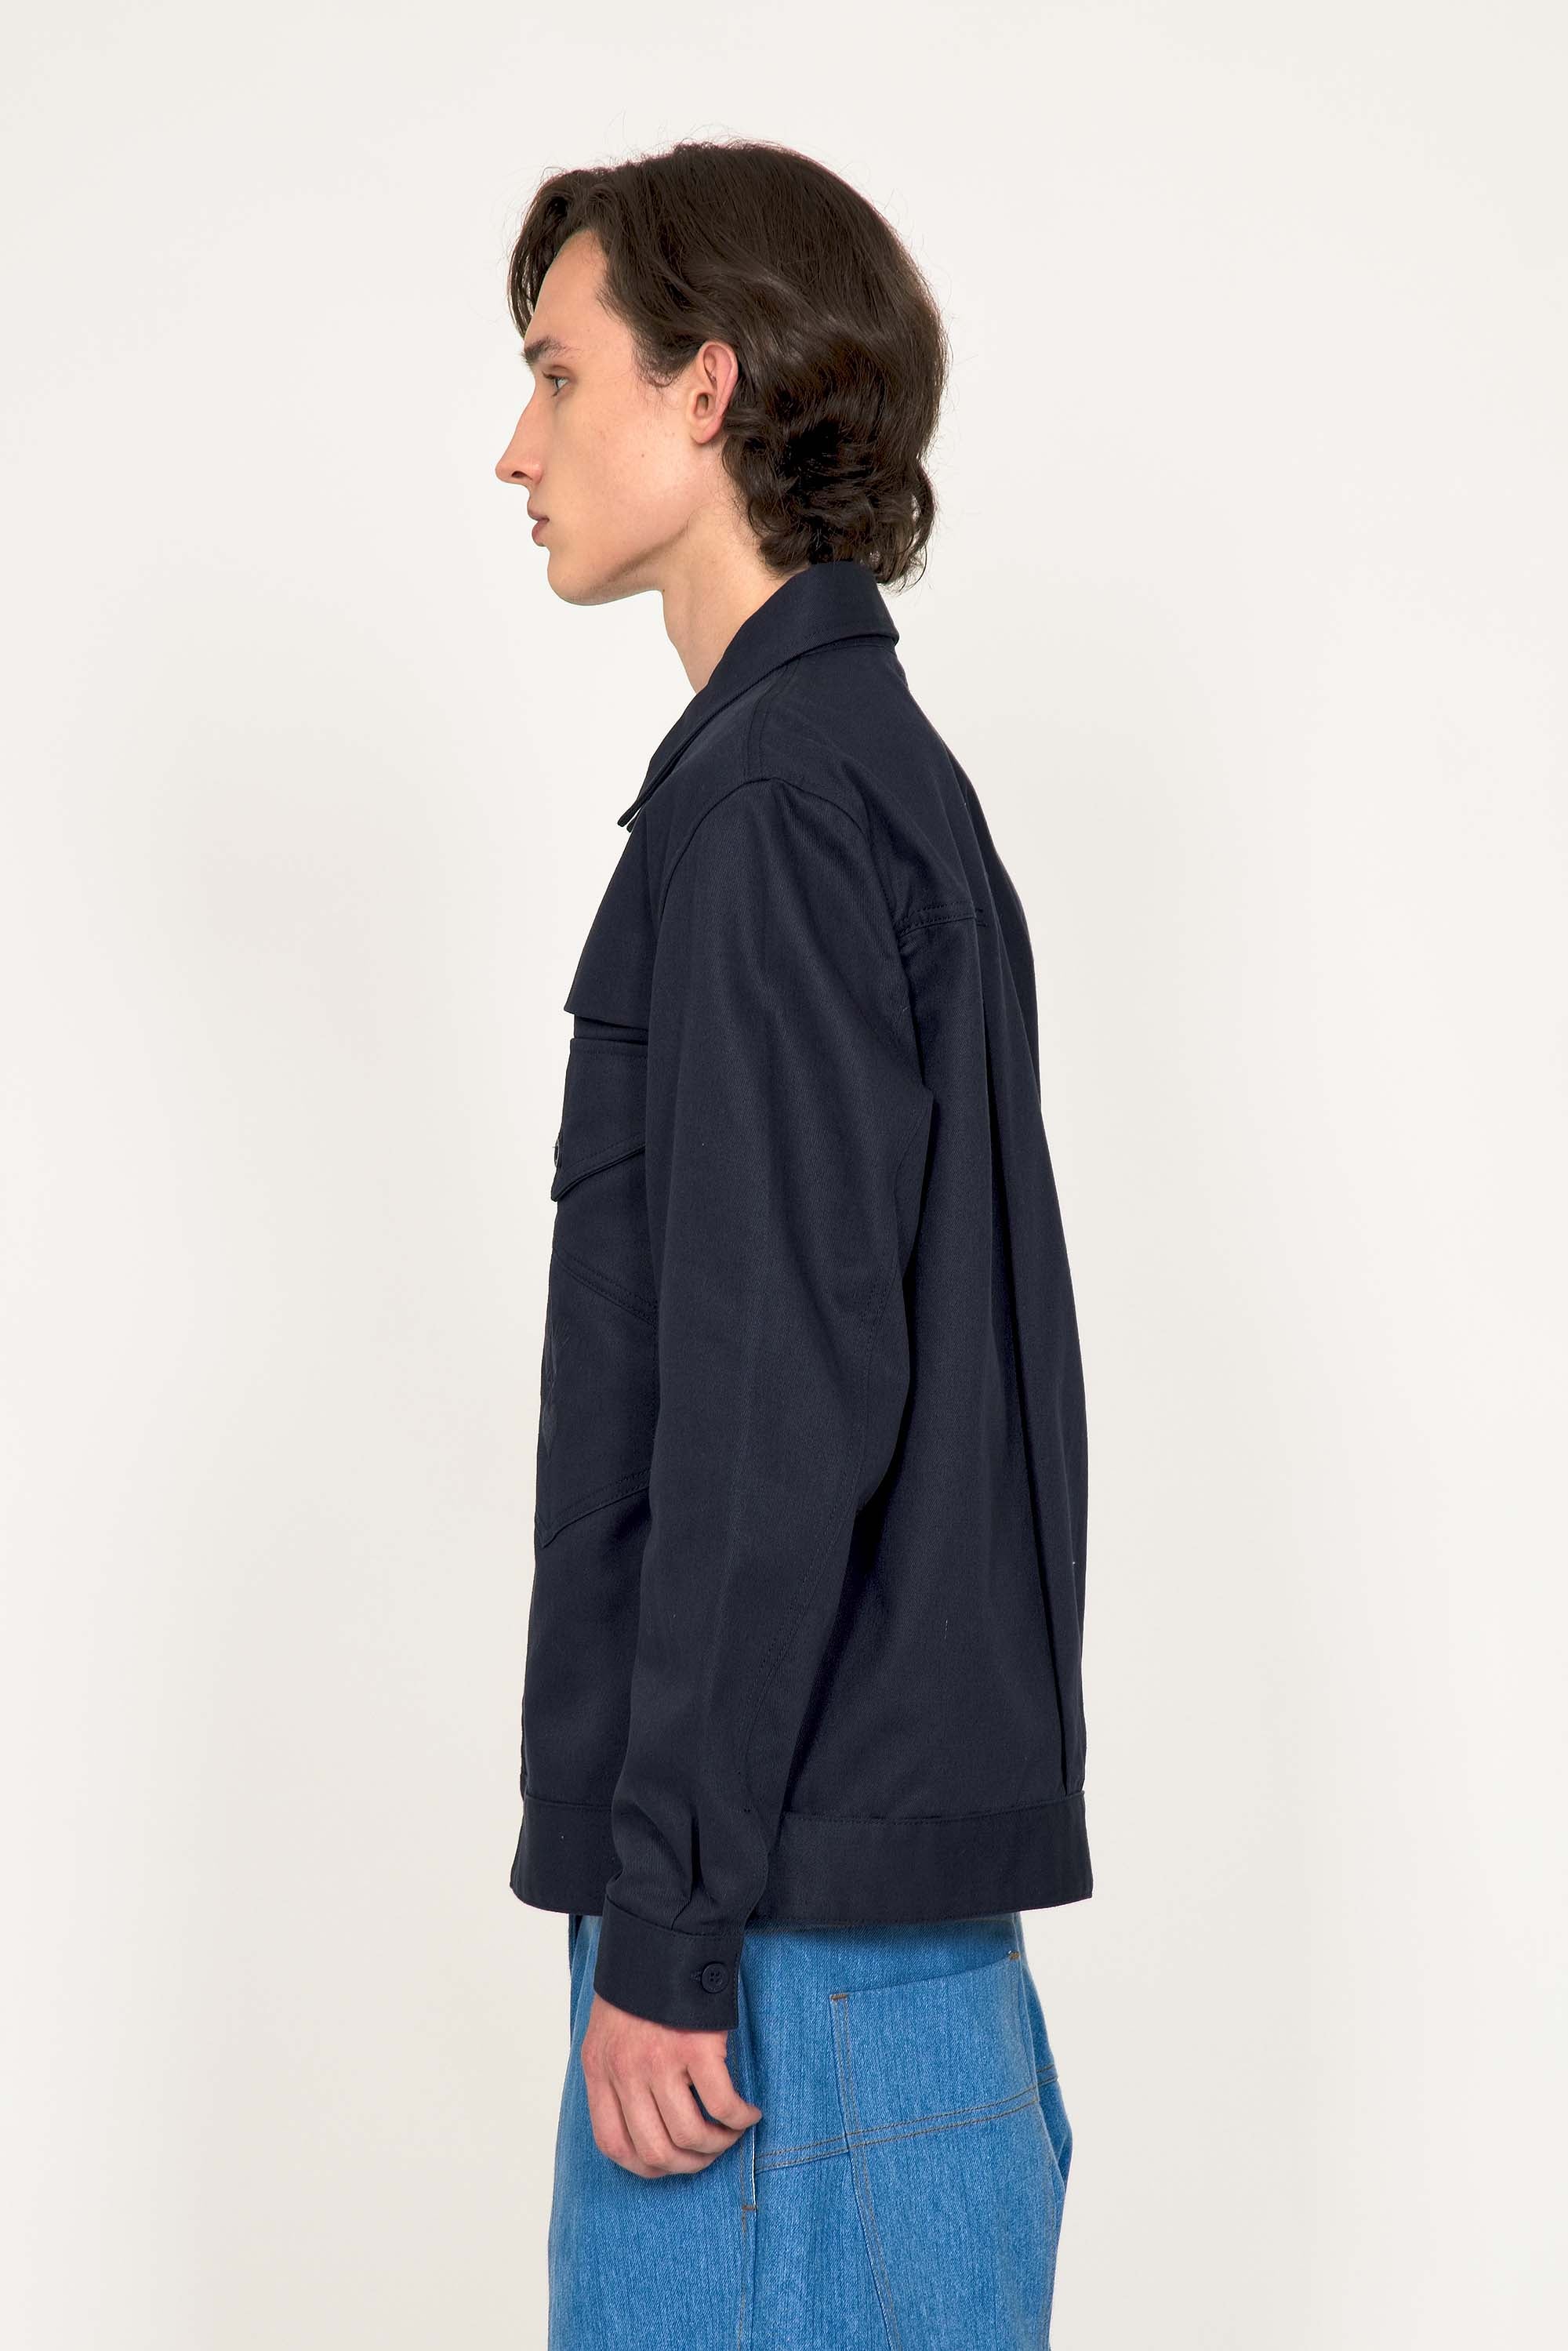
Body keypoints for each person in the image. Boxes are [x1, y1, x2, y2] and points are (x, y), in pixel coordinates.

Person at [495, 138, 1091, 2350]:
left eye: (560, 374)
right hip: (861, 1979)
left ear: (710, 385)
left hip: (771, 1994)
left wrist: (669, 1923)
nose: (517, 445)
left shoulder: (770, 807)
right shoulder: (859, 775)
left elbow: (773, 1402)